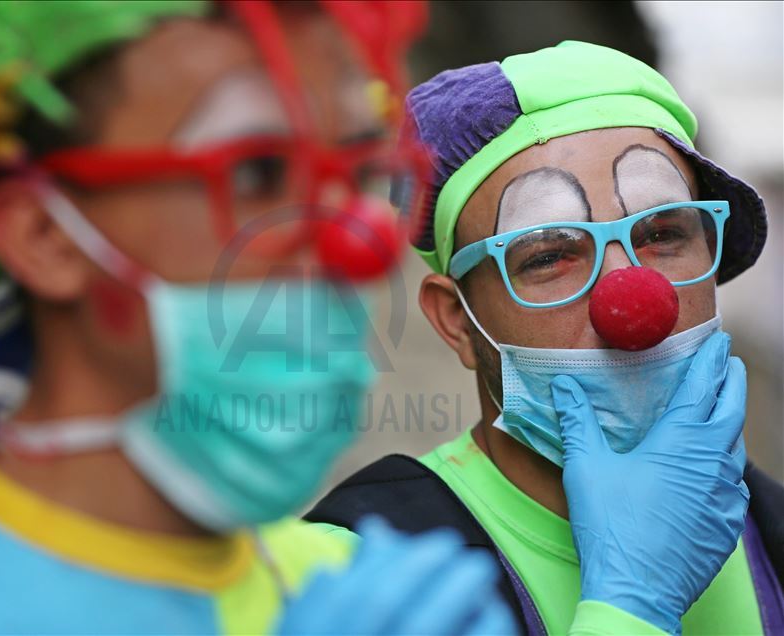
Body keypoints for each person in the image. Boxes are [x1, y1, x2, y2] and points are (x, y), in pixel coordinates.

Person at [0, 3, 757, 632]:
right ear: (42, 232)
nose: (346, 242)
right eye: (261, 174)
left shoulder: (355, 591)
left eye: (352, 177)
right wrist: (628, 608)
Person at [308, 41, 784, 635]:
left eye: (663, 233)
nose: (633, 304)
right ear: (456, 319)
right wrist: (633, 604)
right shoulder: (354, 581)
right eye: (551, 256)